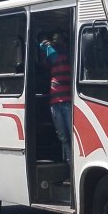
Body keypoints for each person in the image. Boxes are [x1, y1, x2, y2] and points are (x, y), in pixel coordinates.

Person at [39, 32, 72, 164]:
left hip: (67, 102)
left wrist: (54, 46)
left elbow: (66, 52)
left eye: (58, 39)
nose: (55, 42)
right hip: (54, 102)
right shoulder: (52, 57)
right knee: (63, 137)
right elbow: (44, 65)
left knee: (72, 135)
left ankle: (73, 165)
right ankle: (69, 164)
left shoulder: (68, 55)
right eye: (53, 39)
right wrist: (44, 48)